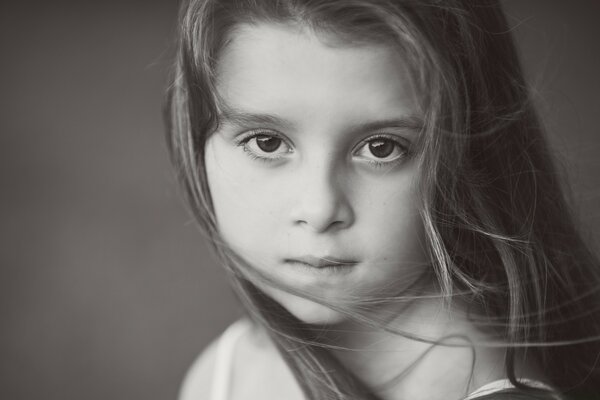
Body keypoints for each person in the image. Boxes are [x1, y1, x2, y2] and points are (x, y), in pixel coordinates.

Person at [164, 1, 600, 399]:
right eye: (267, 142)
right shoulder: (229, 368)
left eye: (381, 148)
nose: (319, 210)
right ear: (196, 139)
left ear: (468, 155)